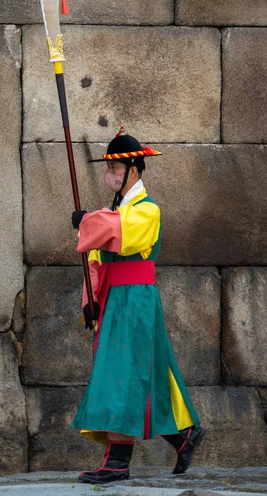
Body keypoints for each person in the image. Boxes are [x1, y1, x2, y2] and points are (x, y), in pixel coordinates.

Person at [71, 127, 205, 485]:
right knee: (138, 373)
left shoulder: (147, 210)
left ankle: (118, 461)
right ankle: (182, 436)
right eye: (109, 169)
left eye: (115, 169)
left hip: (136, 298)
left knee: (123, 373)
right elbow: (98, 260)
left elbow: (121, 234)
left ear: (133, 170)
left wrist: (86, 221)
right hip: (117, 298)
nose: (110, 175)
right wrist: (91, 300)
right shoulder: (114, 212)